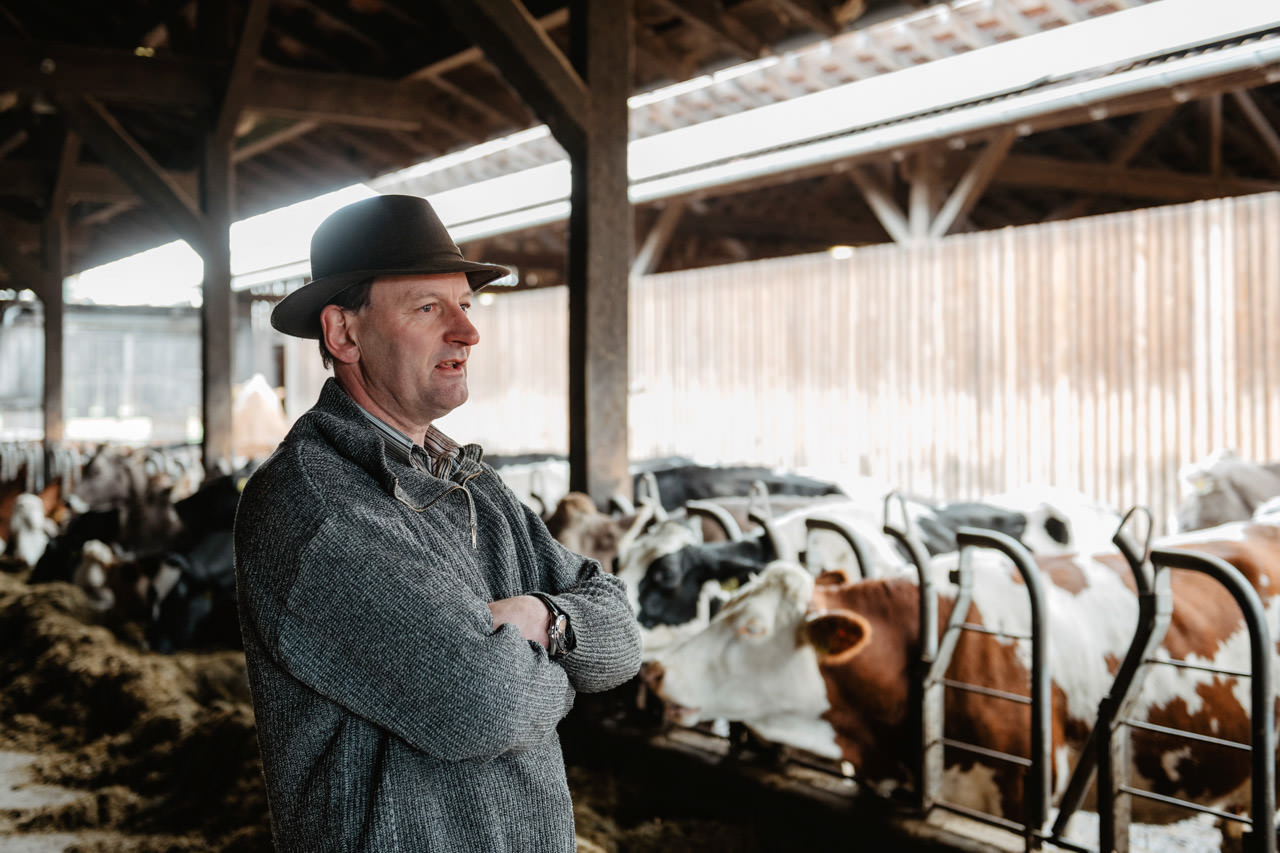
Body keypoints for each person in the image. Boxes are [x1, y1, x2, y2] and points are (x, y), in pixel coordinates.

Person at [233, 194, 642, 852]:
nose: (467, 331)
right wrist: (566, 665)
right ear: (344, 333)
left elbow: (622, 637)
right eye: (429, 307)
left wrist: (544, 619)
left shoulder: (468, 481)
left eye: (466, 305)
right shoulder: (313, 506)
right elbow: (483, 704)